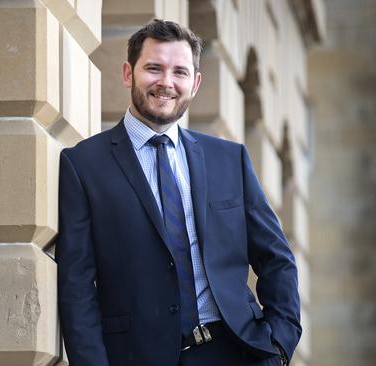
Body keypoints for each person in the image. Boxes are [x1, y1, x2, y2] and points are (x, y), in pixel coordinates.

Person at [56, 19, 301, 366]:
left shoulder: (229, 159)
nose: (166, 83)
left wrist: (279, 344)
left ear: (195, 83)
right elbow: (77, 287)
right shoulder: (83, 165)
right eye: (153, 68)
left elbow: (276, 257)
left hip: (236, 350)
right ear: (128, 73)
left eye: (180, 72)